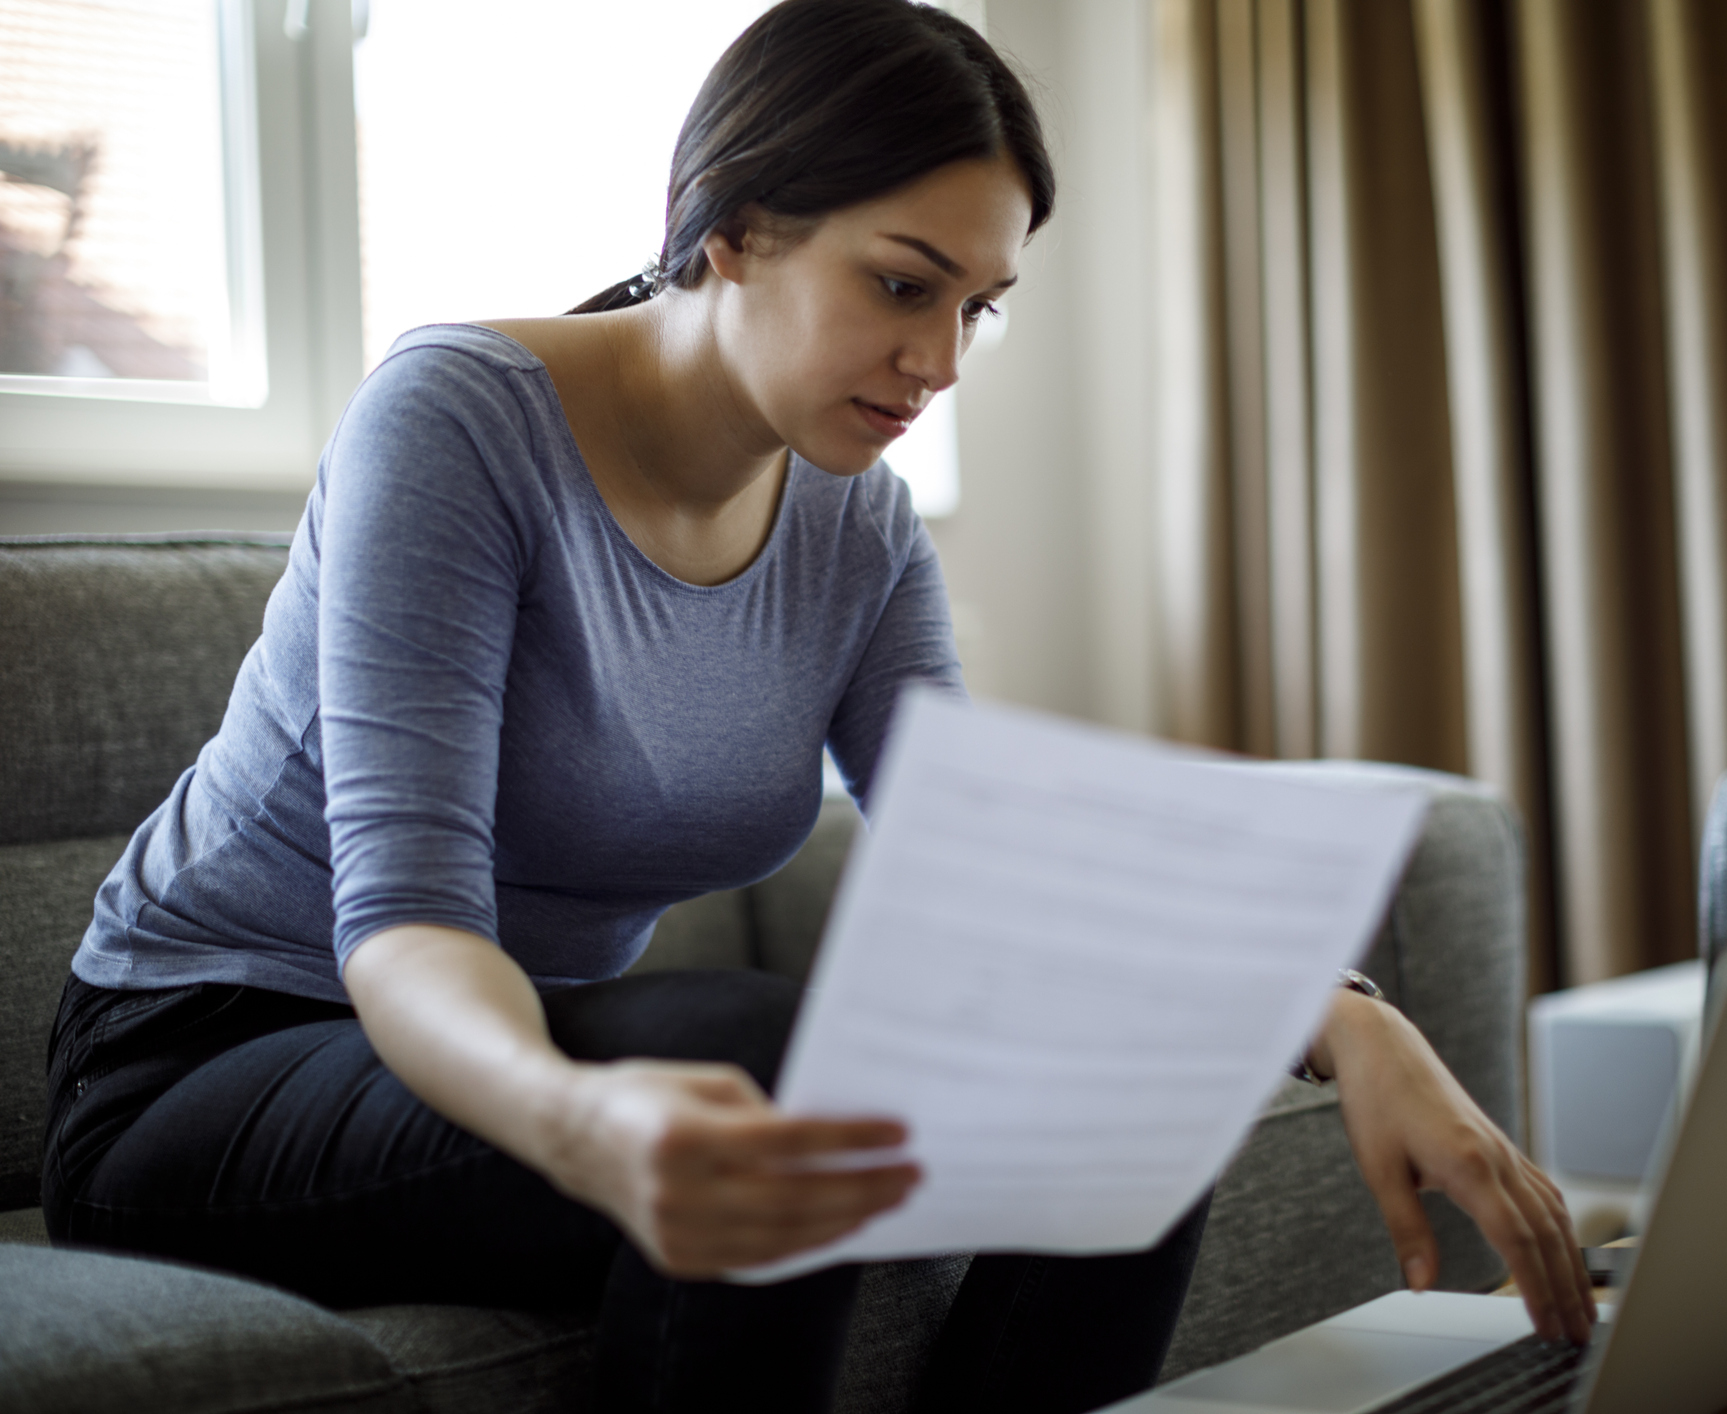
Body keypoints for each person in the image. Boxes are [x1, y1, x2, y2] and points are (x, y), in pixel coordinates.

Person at [39, 2, 1596, 1410]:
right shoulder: (454, 424)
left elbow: (985, 865)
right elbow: (408, 930)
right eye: (901, 285)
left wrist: (1336, 1013)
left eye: (976, 306)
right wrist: (591, 1127)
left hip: (513, 1031)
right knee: (775, 1072)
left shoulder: (854, 521)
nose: (937, 360)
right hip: (216, 1062)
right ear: (731, 228)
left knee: (1125, 1090)